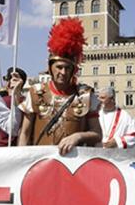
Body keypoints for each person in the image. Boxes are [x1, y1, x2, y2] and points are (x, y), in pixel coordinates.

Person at [18, 17, 102, 155]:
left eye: (67, 68)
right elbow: (25, 133)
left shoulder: (85, 95)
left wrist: (78, 136)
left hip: (74, 166)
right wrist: (22, 160)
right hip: (42, 164)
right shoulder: (35, 93)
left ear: (73, 70)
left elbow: (97, 134)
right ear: (50, 67)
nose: (63, 72)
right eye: (59, 67)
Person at [0, 67, 27, 147]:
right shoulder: (28, 102)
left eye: (6, 79)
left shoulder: (2, 101)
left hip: (1, 147)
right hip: (23, 147)